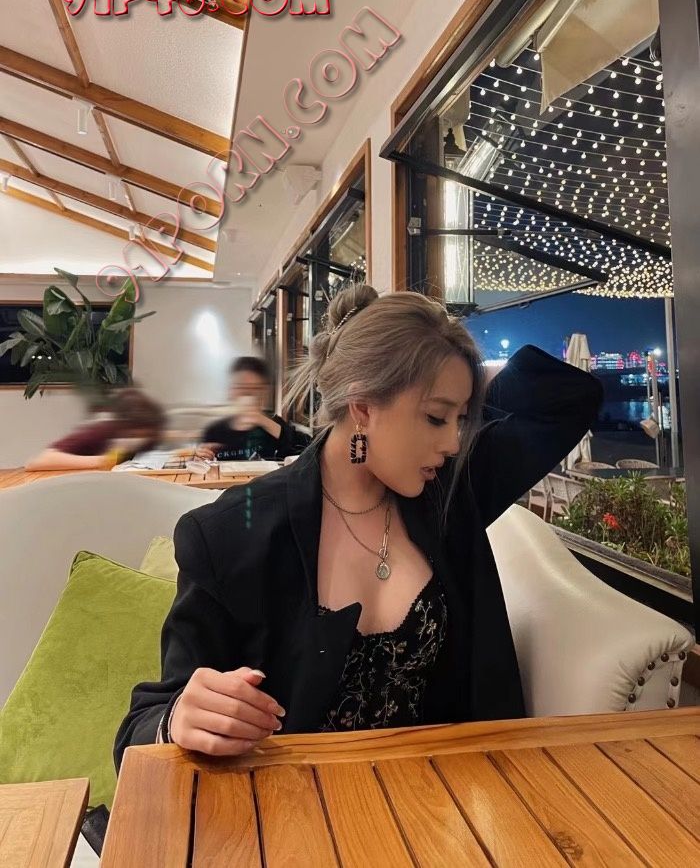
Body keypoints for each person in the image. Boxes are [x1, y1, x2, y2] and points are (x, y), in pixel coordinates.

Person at [115, 285, 602, 766]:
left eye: (461, 419)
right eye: (436, 417)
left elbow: (570, 397)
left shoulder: (453, 495)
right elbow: (145, 725)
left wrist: (459, 374)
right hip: (296, 804)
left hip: (449, 795)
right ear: (363, 407)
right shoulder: (230, 533)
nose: (454, 442)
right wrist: (182, 718)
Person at [25, 387, 166, 472]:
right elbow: (38, 461)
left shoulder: (150, 434)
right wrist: (102, 461)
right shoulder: (101, 432)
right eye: (135, 434)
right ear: (122, 426)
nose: (141, 439)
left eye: (147, 434)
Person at [199, 356, 309, 461]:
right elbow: (203, 464)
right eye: (241, 387)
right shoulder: (215, 431)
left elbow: (306, 449)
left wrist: (261, 420)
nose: (247, 394)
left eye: (255, 388)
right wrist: (201, 458)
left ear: (264, 393)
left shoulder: (274, 425)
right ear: (231, 391)